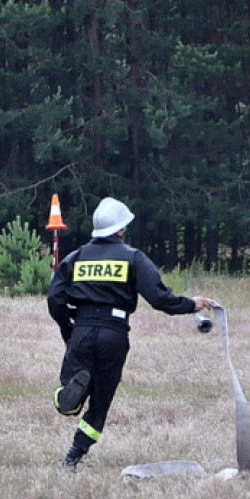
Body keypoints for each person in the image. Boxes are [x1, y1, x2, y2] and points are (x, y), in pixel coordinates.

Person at [48, 197, 213, 468]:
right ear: (121, 229)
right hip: (114, 332)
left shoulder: (74, 257)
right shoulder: (133, 257)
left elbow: (54, 298)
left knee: (73, 380)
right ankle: (74, 455)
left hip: (83, 327)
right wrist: (189, 304)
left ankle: (68, 397)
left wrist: (69, 330)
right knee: (101, 399)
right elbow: (159, 299)